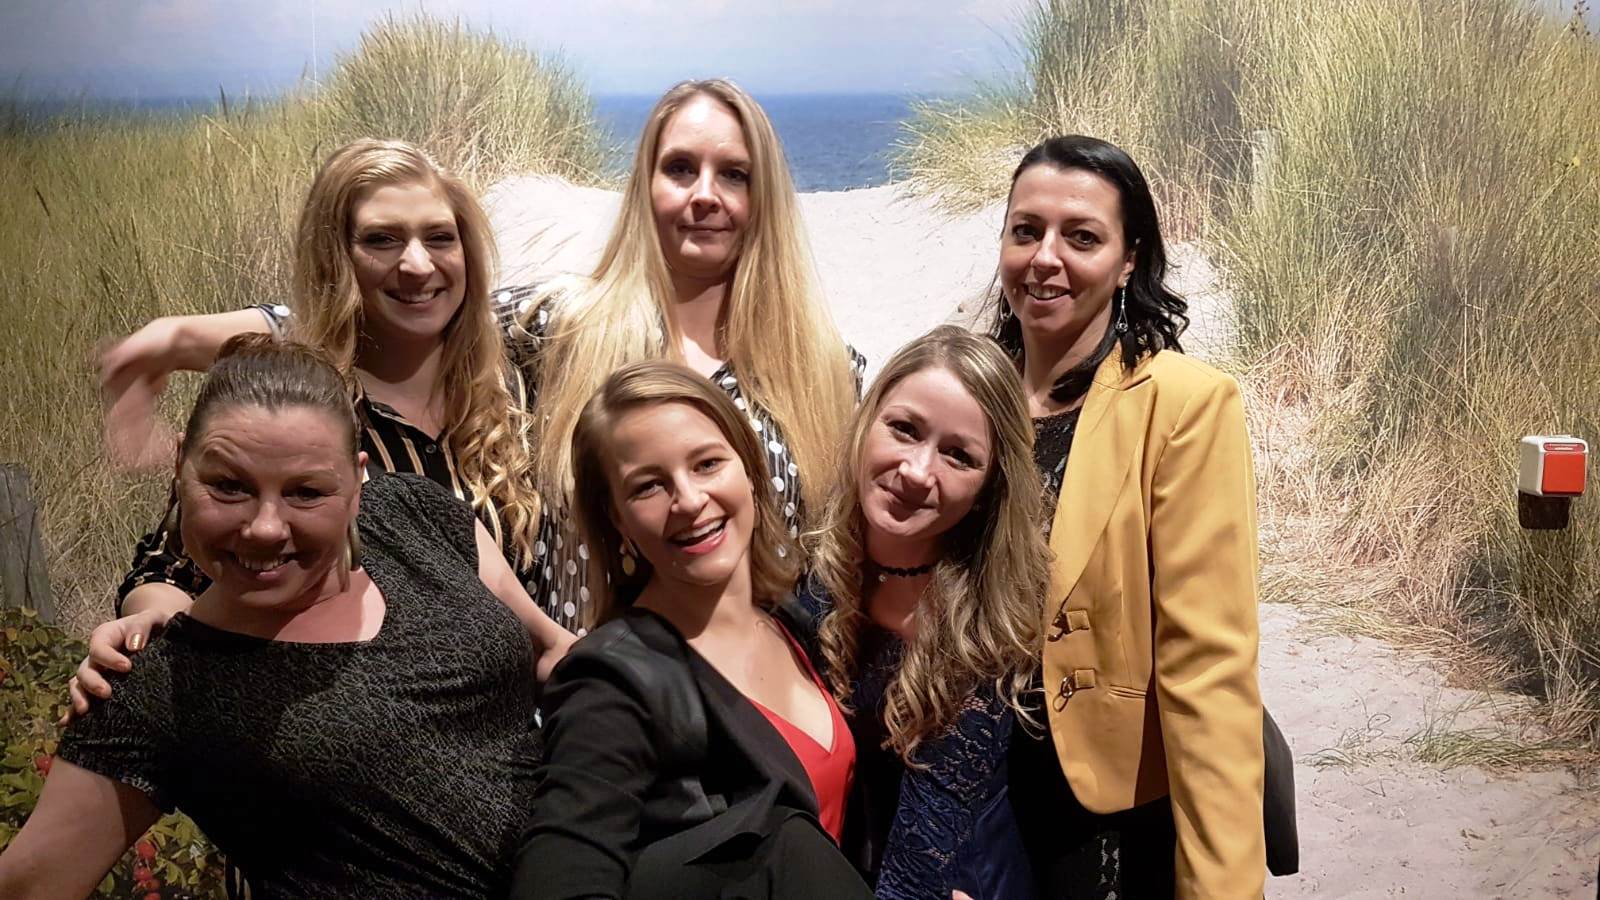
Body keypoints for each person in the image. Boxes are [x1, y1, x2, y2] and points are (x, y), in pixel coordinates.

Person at [0, 336, 564, 898]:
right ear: (180, 466)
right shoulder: (157, 687)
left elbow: (553, 652)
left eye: (306, 492)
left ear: (355, 482)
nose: (265, 528)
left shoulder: (414, 516)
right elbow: (29, 884)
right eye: (229, 487)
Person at [95, 137, 550, 633]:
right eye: (382, 240)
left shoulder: (518, 379)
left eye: (440, 237)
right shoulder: (293, 403)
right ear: (335, 258)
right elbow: (166, 574)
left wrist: (178, 338)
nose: (418, 265)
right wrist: (155, 628)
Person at [990, 134, 1268, 898]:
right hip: (970, 801)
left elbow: (1208, 666)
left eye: (1082, 237)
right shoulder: (971, 393)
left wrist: (1222, 886)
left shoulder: (1182, 405)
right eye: (1026, 231)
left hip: (1099, 812)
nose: (1046, 258)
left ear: (1128, 260)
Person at [511, 361, 870, 900]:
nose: (689, 500)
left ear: (748, 467)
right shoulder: (610, 682)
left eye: (707, 464)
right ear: (617, 518)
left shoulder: (796, 619)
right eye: (649, 486)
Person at [806, 325, 1052, 900]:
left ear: (990, 488)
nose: (917, 471)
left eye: (958, 455)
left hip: (951, 878)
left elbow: (921, 856)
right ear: (867, 420)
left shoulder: (988, 622)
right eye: (905, 429)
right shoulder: (810, 565)